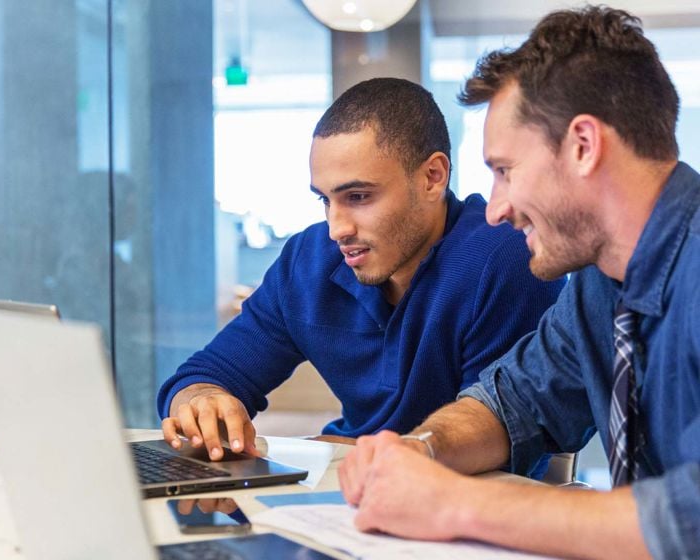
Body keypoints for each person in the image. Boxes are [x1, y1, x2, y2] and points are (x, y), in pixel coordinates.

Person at [339, 6, 699, 559]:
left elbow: (689, 517)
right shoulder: (600, 286)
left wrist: (452, 504)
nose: (495, 208)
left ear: (583, 145)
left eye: (505, 170)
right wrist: (419, 451)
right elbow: (515, 401)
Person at [158, 78, 565, 462]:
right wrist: (201, 400)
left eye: (358, 196)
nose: (337, 228)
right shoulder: (309, 259)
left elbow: (502, 432)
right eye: (325, 200)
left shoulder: (506, 258)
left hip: (461, 507)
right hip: (346, 487)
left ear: (432, 177)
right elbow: (205, 374)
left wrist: (352, 452)